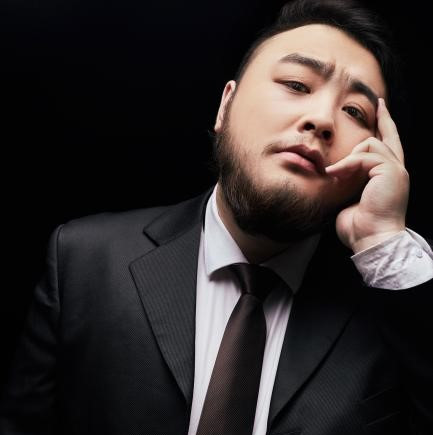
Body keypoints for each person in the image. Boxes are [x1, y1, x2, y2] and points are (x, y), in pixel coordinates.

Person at [1, 0, 433, 434]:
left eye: (355, 112)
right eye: (297, 84)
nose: (322, 119)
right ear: (226, 106)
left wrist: (384, 243)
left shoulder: (390, 306)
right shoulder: (83, 260)